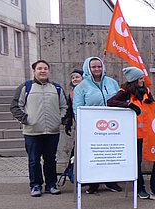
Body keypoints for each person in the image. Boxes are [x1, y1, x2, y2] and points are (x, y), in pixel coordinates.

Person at [108, 67, 155, 200]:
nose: (143, 80)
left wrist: (151, 103)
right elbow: (111, 102)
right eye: (140, 78)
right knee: (136, 162)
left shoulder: (146, 90)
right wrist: (128, 105)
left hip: (149, 131)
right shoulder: (125, 91)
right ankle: (140, 188)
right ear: (134, 80)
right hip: (134, 133)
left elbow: (152, 106)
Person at [10, 60, 68, 197]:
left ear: (49, 71)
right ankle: (35, 185)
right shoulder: (26, 87)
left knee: (50, 159)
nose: (43, 71)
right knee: (33, 160)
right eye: (40, 68)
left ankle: (51, 185)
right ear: (34, 71)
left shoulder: (57, 88)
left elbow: (64, 106)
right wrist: (26, 120)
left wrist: (58, 120)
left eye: (45, 68)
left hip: (52, 131)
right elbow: (15, 106)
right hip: (32, 131)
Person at [72, 56, 123, 194]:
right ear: (88, 68)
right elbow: (77, 107)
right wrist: (82, 124)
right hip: (92, 128)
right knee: (94, 155)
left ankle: (111, 181)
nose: (97, 69)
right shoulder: (81, 86)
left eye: (99, 66)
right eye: (93, 67)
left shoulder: (112, 83)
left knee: (110, 154)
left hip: (112, 127)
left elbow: (120, 100)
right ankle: (93, 183)